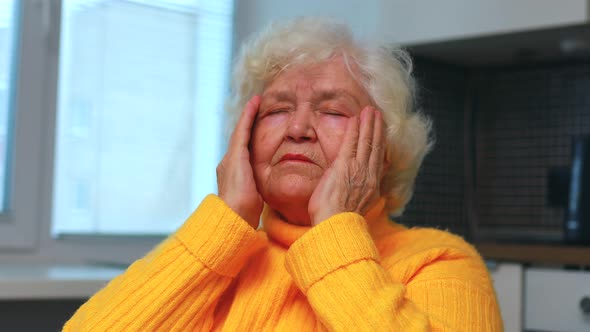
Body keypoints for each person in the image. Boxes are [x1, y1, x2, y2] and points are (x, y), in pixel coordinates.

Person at [64, 18, 503, 331]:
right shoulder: (221, 260)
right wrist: (226, 219)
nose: (297, 129)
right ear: (246, 140)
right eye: (277, 110)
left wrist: (334, 232)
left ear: (384, 150)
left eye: (332, 110)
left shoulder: (439, 262)